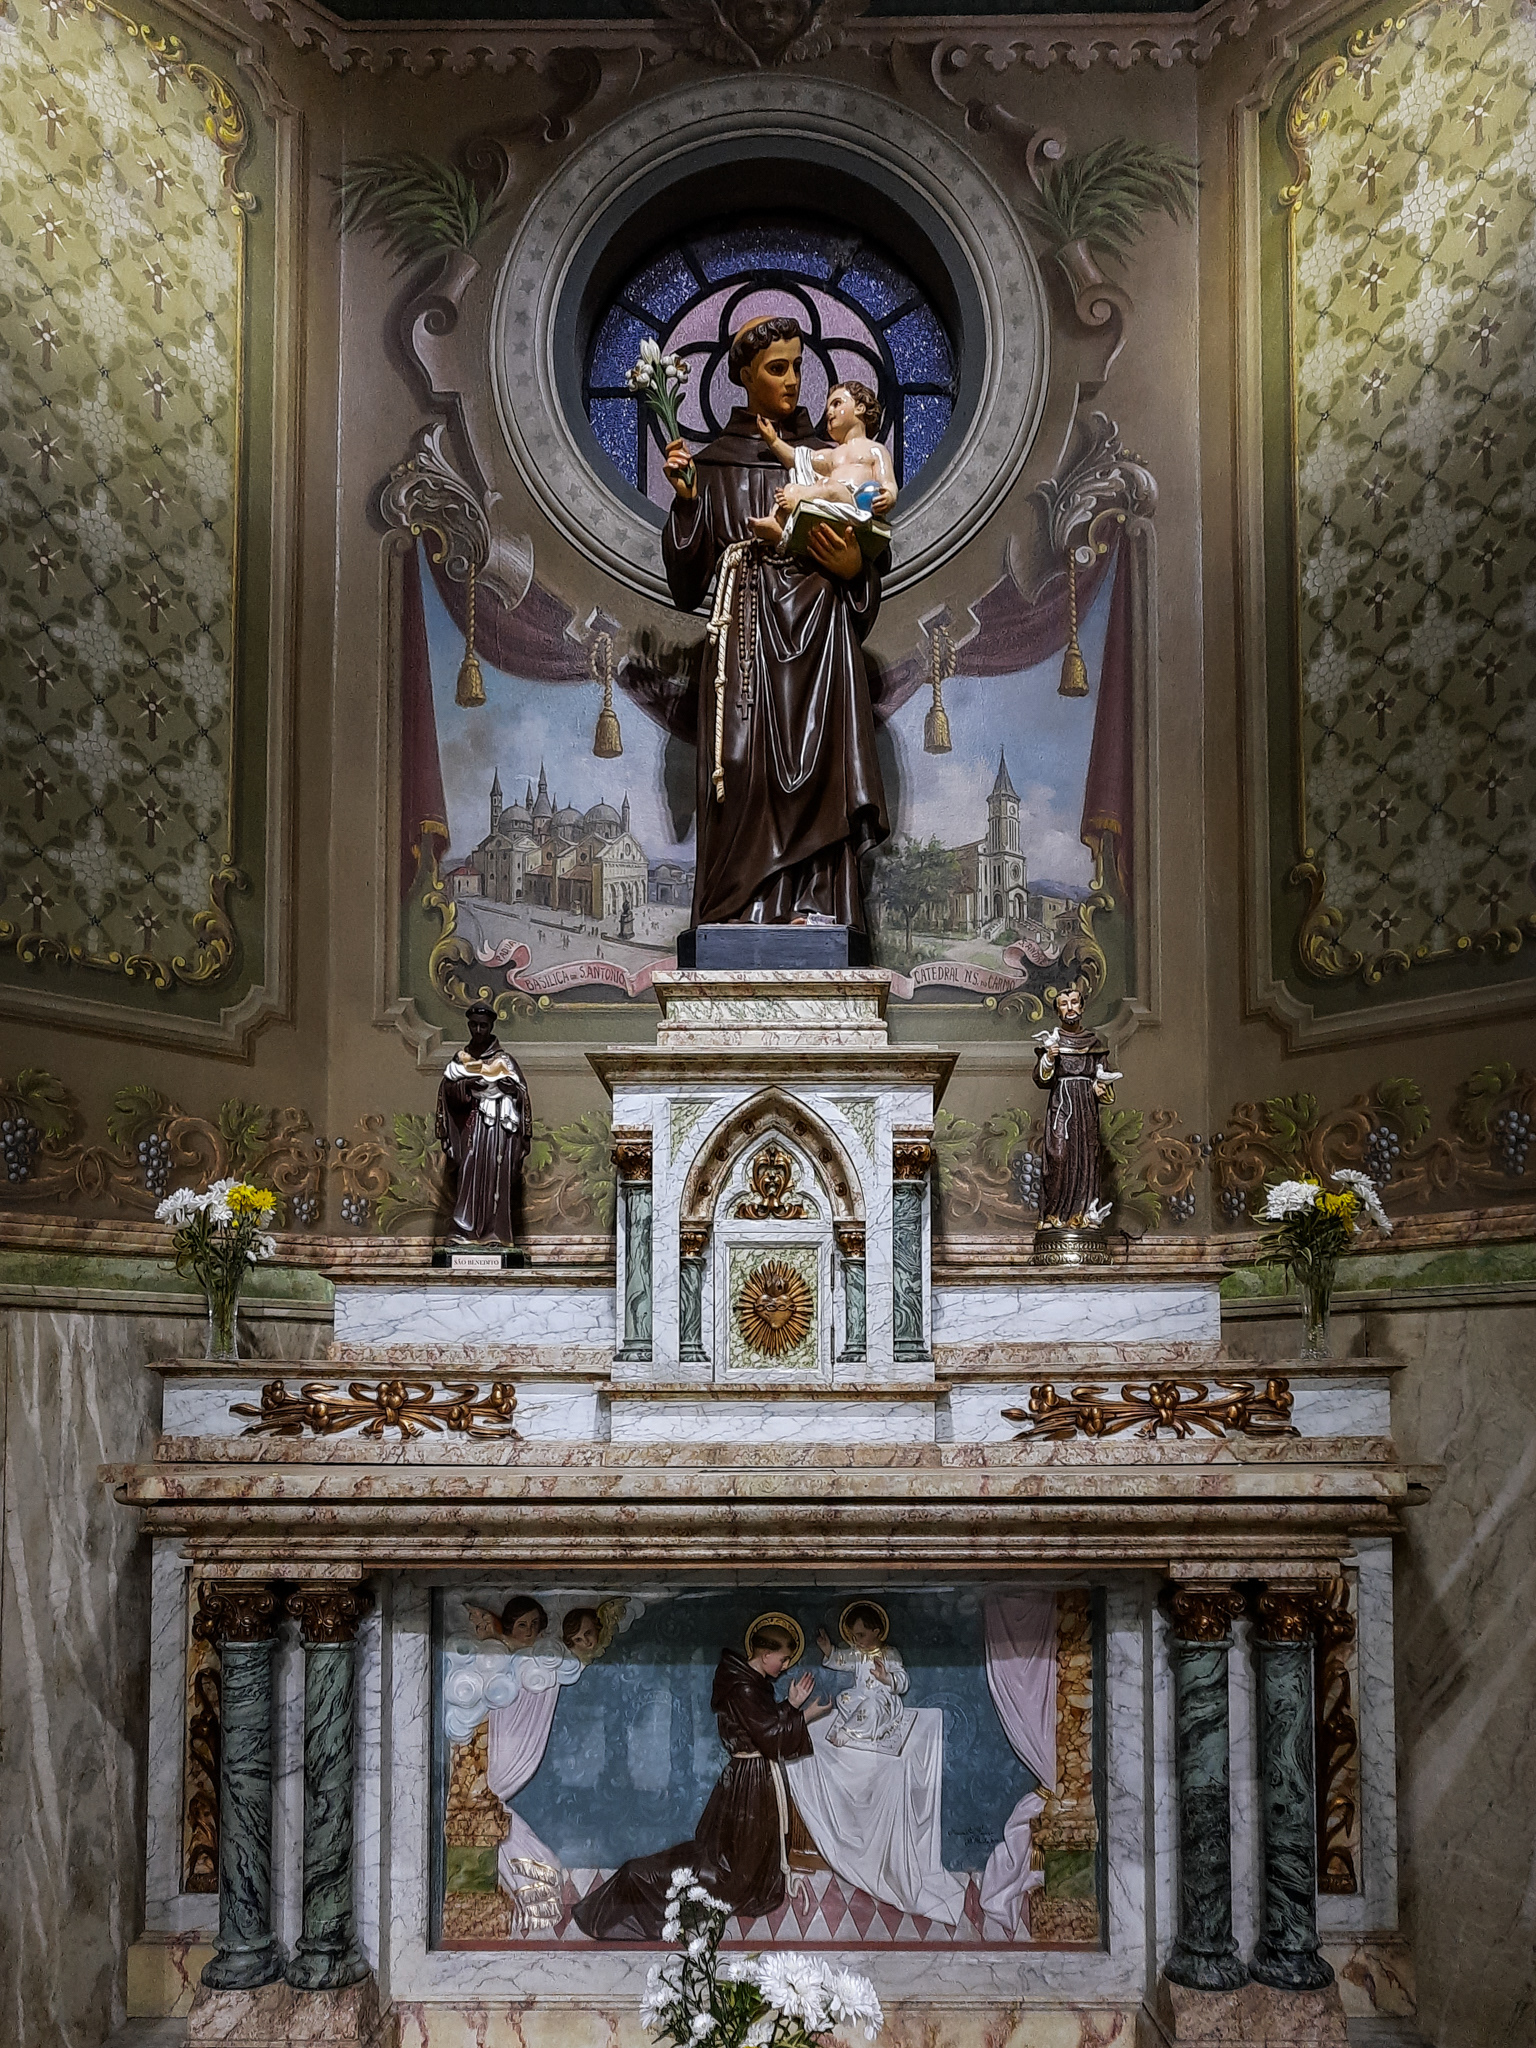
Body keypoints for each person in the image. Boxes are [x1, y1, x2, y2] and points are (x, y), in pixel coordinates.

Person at [661, 315, 889, 931]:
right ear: (744, 376)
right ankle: (737, 915)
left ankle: (816, 908)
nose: (792, 381)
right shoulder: (715, 465)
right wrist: (688, 503)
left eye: (798, 367)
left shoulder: (827, 459)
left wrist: (851, 567)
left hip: (819, 634)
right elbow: (686, 584)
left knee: (819, 766)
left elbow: (868, 563)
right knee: (738, 765)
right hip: (745, 631)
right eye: (776, 368)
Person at [571, 1616, 830, 1940]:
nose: (786, 1665)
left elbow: (760, 1725)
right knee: (729, 1866)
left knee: (737, 1858)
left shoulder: (749, 1681)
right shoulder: (744, 1686)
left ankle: (660, 1883)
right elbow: (768, 1736)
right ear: (765, 1655)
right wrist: (801, 1712)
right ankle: (636, 1883)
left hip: (750, 1777)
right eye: (783, 1658)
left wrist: (789, 1709)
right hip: (748, 1782)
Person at [748, 381, 896, 555]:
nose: (829, 413)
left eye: (837, 404)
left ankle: (798, 501)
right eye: (827, 410)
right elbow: (799, 458)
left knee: (829, 486)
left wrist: (889, 496)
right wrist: (773, 441)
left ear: (860, 408)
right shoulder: (831, 454)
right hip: (830, 504)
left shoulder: (875, 449)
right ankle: (777, 523)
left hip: (856, 505)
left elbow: (888, 482)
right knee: (791, 487)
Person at [435, 1003, 531, 1245]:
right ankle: (464, 1230)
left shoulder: (504, 1060)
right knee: (469, 1172)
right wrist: (467, 1086)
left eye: (483, 1026)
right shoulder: (461, 1058)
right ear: (469, 1025)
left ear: (491, 1027)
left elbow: (521, 1094)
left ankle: (495, 1233)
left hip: (499, 1128)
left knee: (496, 1176)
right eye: (474, 1025)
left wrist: (510, 1089)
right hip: (473, 1124)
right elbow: (448, 1091)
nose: (478, 1030)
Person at [1032, 986, 1119, 1228]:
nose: (1070, 1008)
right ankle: (1053, 1215)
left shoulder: (1094, 1043)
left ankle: (1082, 1215)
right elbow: (1042, 1078)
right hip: (1061, 1105)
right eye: (1064, 1004)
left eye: (1074, 1002)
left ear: (1082, 1006)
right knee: (1058, 1155)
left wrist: (1100, 1088)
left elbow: (1104, 1076)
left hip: (1086, 1108)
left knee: (1085, 1159)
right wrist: (1049, 1057)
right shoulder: (1053, 1043)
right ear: (1058, 1011)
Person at [815, 1600, 910, 1752]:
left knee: (870, 1706)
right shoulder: (858, 1654)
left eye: (861, 1635)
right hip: (863, 1696)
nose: (857, 1641)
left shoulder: (890, 1653)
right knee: (843, 1698)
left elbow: (903, 1680)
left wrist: (886, 1678)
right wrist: (828, 1650)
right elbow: (842, 1660)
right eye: (854, 1636)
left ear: (876, 1632)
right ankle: (862, 1726)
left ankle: (848, 1731)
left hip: (884, 1700)